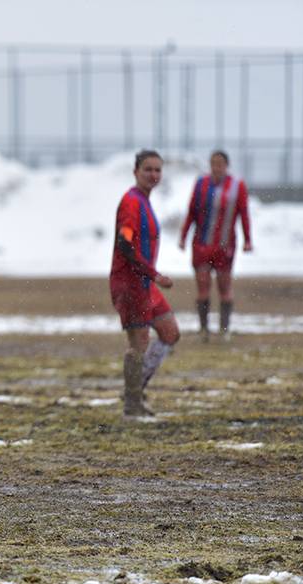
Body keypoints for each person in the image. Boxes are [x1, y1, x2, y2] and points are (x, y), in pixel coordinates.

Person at [110, 150, 180, 418]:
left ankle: (135, 388)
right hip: (130, 283)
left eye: (157, 170)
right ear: (135, 172)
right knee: (139, 342)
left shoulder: (144, 201)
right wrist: (154, 274)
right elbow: (124, 244)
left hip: (145, 284)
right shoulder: (131, 202)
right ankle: (132, 403)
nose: (153, 175)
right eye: (147, 169)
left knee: (170, 332)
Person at [178, 150, 252, 342]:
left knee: (224, 287)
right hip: (201, 245)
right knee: (202, 286)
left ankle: (224, 329)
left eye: (220, 164)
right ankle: (203, 329)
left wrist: (248, 239)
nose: (216, 167)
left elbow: (244, 214)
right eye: (213, 163)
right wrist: (183, 236)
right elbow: (191, 212)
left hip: (225, 247)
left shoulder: (237, 186)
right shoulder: (201, 184)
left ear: (227, 166)